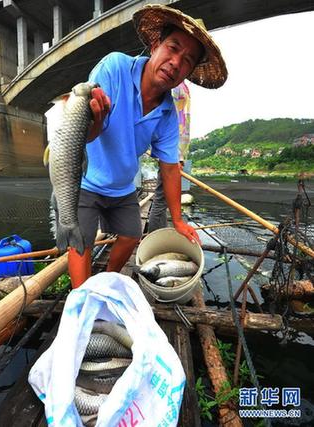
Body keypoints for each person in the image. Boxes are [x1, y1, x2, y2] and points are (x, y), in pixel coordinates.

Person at [69, 3, 228, 288]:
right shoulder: (114, 67)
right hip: (87, 180)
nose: (176, 62)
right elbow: (83, 136)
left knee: (131, 235)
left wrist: (178, 220)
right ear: (155, 44)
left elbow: (169, 168)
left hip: (123, 187)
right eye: (173, 47)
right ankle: (82, 299)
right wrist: (96, 119)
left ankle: (107, 280)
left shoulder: (168, 113)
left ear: (189, 71)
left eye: (188, 60)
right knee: (80, 241)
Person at [148, 80, 191, 233]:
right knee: (161, 199)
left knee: (162, 200)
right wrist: (176, 156)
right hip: (171, 151)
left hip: (176, 152)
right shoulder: (172, 86)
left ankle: (158, 232)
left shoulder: (182, 85)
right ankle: (155, 237)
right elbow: (167, 122)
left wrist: (181, 156)